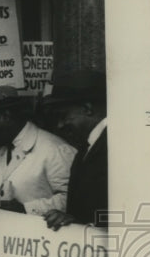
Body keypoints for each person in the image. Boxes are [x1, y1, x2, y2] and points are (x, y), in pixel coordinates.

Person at [0, 86, 76, 215]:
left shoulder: (54, 149)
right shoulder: (2, 152)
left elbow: (74, 199)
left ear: (6, 116)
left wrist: (25, 209)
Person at [41, 70, 108, 229]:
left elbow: (128, 206)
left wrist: (82, 224)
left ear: (88, 108)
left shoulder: (117, 144)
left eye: (63, 116)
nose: (60, 125)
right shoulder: (86, 148)